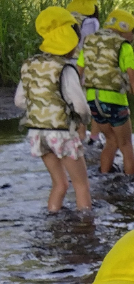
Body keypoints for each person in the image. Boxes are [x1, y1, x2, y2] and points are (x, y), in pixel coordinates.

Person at [15, 6, 93, 213]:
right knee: (81, 185)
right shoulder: (66, 69)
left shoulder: (29, 65)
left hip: (38, 134)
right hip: (63, 134)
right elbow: (80, 106)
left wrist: (43, 107)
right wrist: (84, 120)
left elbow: (19, 101)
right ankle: (85, 231)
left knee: (59, 184)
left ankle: (52, 220)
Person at [77, 8, 134, 175]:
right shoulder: (123, 46)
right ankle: (131, 186)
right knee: (126, 145)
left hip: (93, 101)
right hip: (115, 101)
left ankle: (104, 176)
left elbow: (78, 72)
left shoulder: (90, 41)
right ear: (127, 30)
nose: (133, 38)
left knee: (111, 141)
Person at [66, 0, 103, 145]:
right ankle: (91, 136)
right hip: (83, 63)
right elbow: (91, 44)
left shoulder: (67, 17)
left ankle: (75, 134)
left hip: (66, 63)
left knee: (73, 100)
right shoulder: (91, 22)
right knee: (91, 99)